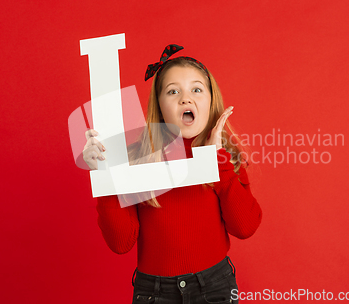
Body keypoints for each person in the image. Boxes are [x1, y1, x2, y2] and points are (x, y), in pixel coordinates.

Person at [82, 44, 262, 304]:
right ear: (159, 105)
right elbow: (120, 243)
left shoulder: (226, 156)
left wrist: (217, 162)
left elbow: (245, 227)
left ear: (211, 100)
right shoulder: (134, 158)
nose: (185, 99)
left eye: (196, 89)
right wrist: (106, 173)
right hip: (154, 293)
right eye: (173, 91)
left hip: (215, 287)